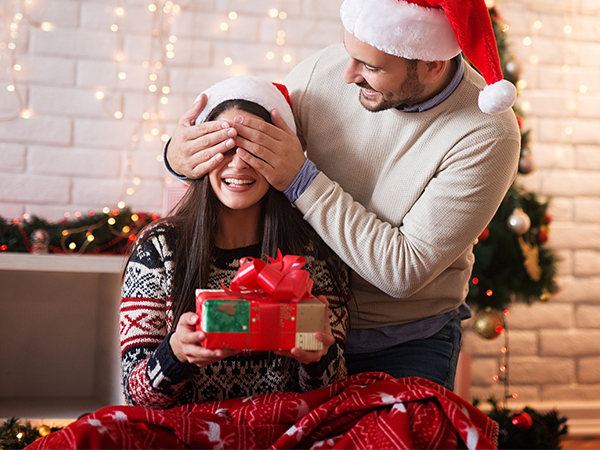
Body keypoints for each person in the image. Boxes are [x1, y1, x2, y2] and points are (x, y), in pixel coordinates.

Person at [162, 0, 521, 391]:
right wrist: (180, 156)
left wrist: (301, 178)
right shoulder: (324, 73)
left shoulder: (487, 134)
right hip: (296, 326)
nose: (348, 75)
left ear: (433, 63)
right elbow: (250, 162)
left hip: (401, 341)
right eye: (350, 54)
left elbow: (404, 271)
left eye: (371, 66)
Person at [120, 76, 349, 409]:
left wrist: (319, 359)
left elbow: (333, 396)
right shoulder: (159, 249)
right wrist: (175, 355)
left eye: (255, 148)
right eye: (223, 147)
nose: (238, 163)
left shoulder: (313, 252)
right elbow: (134, 398)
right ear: (199, 154)